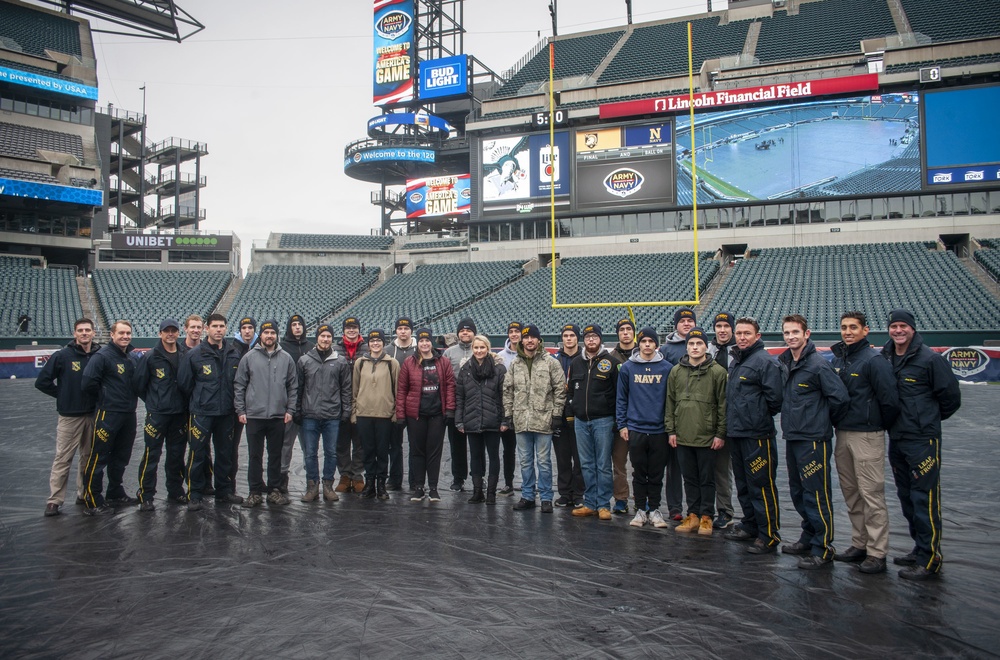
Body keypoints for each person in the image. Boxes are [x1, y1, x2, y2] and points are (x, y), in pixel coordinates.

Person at [881, 309, 961, 580]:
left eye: (903, 326)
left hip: (922, 440)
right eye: (894, 326)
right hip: (897, 437)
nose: (898, 330)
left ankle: (931, 558)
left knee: (924, 498)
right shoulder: (886, 356)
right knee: (906, 497)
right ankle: (919, 547)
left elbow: (951, 399)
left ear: (912, 328)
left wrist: (926, 421)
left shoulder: (930, 359)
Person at [777, 314, 849, 569]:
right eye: (786, 333)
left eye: (795, 332)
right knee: (798, 491)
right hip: (794, 436)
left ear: (806, 334)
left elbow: (839, 398)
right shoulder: (786, 362)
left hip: (813, 440)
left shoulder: (818, 364)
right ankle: (808, 536)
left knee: (816, 493)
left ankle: (823, 547)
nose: (790, 337)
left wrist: (820, 422)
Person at [830, 311, 900, 575]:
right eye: (844, 327)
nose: (848, 332)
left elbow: (890, 400)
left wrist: (876, 424)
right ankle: (860, 543)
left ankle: (877, 552)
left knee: (871, 494)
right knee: (851, 492)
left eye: (853, 327)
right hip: (843, 433)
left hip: (867, 435)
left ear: (865, 330)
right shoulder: (841, 359)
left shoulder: (874, 360)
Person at [723, 317, 785, 554]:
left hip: (757, 435)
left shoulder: (764, 362)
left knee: (761, 485)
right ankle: (750, 524)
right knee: (743, 484)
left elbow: (775, 400)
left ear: (757, 336)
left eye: (747, 333)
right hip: (737, 432)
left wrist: (755, 417)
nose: (741, 337)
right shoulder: (738, 361)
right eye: (738, 333)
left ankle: (768, 534)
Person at [178, 313, 244, 511]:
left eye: (222, 326)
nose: (218, 329)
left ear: (226, 328)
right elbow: (184, 384)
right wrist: (201, 400)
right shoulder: (194, 355)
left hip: (226, 413)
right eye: (214, 326)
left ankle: (223, 492)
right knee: (198, 455)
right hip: (202, 414)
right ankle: (195, 494)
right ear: (207, 328)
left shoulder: (234, 353)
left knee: (225, 454)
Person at [666, 327, 728, 536]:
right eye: (691, 344)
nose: (694, 347)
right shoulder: (676, 371)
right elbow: (670, 403)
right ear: (686, 346)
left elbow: (723, 405)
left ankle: (706, 516)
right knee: (689, 478)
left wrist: (720, 433)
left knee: (707, 479)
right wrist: (671, 430)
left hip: (707, 436)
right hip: (683, 435)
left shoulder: (718, 372)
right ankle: (692, 514)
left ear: (705, 346)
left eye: (698, 343)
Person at [35, 317, 99, 516]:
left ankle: (83, 493)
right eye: (80, 330)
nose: (84, 333)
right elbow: (42, 381)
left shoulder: (99, 355)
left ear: (93, 333)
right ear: (74, 333)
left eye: (87, 330)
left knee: (88, 458)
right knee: (63, 458)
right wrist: (62, 395)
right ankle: (55, 500)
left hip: (92, 415)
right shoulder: (62, 356)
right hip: (70, 416)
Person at [502, 324, 566, 513]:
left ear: (539, 340)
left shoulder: (550, 362)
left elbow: (560, 390)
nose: (529, 340)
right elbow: (508, 390)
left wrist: (556, 414)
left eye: (533, 337)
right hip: (521, 420)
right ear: (522, 340)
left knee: (544, 462)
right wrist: (508, 414)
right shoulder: (515, 364)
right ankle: (528, 496)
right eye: (526, 337)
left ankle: (546, 497)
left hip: (544, 419)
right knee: (525, 461)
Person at [235, 319, 297, 508]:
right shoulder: (249, 357)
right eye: (266, 332)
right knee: (255, 455)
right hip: (254, 415)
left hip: (278, 416)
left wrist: (290, 410)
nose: (269, 335)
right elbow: (239, 384)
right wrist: (241, 409)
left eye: (272, 332)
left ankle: (274, 491)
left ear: (276, 335)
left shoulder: (286, 358)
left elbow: (293, 386)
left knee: (275, 455)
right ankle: (254, 492)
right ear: (260, 335)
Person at [80, 320, 140, 515]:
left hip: (128, 413)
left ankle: (115, 492)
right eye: (121, 333)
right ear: (112, 335)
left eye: (128, 333)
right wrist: (106, 398)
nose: (125, 336)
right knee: (99, 456)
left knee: (122, 456)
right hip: (108, 413)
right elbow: (88, 383)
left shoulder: (130, 357)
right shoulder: (102, 356)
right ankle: (92, 498)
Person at [616, 327, 673, 528]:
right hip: (636, 428)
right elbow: (621, 398)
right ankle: (640, 509)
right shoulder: (628, 368)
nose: (647, 344)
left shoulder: (667, 368)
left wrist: (670, 427)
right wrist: (622, 424)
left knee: (657, 473)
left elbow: (671, 400)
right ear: (638, 344)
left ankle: (655, 509)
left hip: (659, 429)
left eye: (651, 341)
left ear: (656, 344)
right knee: (639, 472)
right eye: (643, 341)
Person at [133, 318, 189, 511]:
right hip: (158, 415)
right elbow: (139, 385)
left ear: (178, 333)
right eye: (167, 331)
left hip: (179, 414)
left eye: (174, 330)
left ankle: (175, 491)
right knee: (151, 455)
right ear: (160, 333)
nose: (170, 334)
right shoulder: (150, 356)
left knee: (176, 455)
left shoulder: (185, 354)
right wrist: (154, 403)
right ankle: (146, 494)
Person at [568, 324, 621, 520]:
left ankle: (604, 504)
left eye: (594, 337)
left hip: (603, 421)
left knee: (603, 465)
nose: (591, 340)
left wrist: (616, 420)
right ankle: (590, 503)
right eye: (588, 337)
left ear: (600, 339)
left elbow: (618, 394)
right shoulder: (575, 363)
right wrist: (572, 411)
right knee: (587, 464)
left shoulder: (612, 363)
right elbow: (571, 391)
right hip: (581, 421)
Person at [295, 323, 352, 503]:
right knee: (310, 453)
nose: (325, 339)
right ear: (317, 338)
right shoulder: (304, 361)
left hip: (332, 415)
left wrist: (346, 411)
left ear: (332, 339)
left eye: (328, 336)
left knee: (331, 453)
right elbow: (298, 388)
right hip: (309, 415)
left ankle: (328, 486)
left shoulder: (340, 361)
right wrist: (297, 410)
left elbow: (346, 389)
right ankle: (312, 487)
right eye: (322, 336)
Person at [398, 328, 453, 503]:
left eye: (427, 340)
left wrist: (450, 409)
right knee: (417, 451)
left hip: (437, 414)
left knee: (434, 452)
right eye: (421, 341)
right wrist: (400, 414)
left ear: (431, 342)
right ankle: (419, 487)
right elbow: (402, 390)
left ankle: (434, 488)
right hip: (416, 415)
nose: (424, 343)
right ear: (418, 343)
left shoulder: (443, 362)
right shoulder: (409, 362)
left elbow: (450, 386)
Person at [455, 335, 506, 504]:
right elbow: (460, 397)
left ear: (488, 348)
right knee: (475, 457)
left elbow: (504, 396)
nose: (478, 351)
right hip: (471, 419)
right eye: (476, 348)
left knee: (493, 457)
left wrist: (505, 420)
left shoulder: (499, 369)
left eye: (482, 347)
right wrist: (459, 420)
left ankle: (491, 493)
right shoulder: (465, 369)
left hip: (493, 419)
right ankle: (478, 491)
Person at [353, 329, 400, 500]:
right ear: (368, 343)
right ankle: (369, 482)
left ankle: (381, 484)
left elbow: (397, 390)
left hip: (384, 415)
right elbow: (355, 389)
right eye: (372, 341)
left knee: (382, 451)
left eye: (378, 340)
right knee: (367, 451)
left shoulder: (392, 363)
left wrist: (395, 413)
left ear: (383, 342)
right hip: (364, 413)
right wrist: (354, 413)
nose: (375, 343)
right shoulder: (360, 363)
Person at [707, 311, 738, 529]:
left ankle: (729, 511)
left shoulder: (739, 352)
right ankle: (716, 510)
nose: (722, 330)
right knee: (714, 469)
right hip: (708, 418)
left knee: (729, 469)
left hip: (734, 418)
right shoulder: (709, 350)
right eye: (719, 326)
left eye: (726, 326)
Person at [278, 313, 314, 493]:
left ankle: (311, 481)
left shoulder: (311, 346)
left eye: (300, 324)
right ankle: (281, 478)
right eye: (294, 324)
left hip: (308, 405)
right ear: (289, 327)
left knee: (309, 446)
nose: (297, 327)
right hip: (289, 405)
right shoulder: (282, 348)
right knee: (286, 444)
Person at [553, 323, 585, 508]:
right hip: (559, 414)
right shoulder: (554, 359)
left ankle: (579, 493)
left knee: (580, 458)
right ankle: (565, 493)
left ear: (577, 337)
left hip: (579, 415)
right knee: (562, 457)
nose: (569, 338)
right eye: (566, 335)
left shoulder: (584, 358)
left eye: (572, 335)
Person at [442, 317, 476, 491]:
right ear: (458, 333)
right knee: (457, 445)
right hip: (455, 404)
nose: (465, 333)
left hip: (476, 404)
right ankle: (458, 478)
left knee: (477, 444)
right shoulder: (449, 353)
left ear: (474, 333)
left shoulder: (479, 349)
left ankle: (479, 476)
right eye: (462, 330)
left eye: (469, 330)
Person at [335, 316, 367, 494]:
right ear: (344, 330)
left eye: (355, 327)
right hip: (339, 402)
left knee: (360, 441)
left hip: (361, 401)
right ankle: (344, 475)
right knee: (342, 442)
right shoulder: (335, 349)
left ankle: (357, 475)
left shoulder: (367, 348)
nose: (352, 330)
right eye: (348, 328)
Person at [608, 318, 636, 515]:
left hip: (642, 419)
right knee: (618, 463)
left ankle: (646, 502)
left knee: (642, 465)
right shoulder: (610, 358)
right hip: (619, 419)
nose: (625, 332)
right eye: (622, 330)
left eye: (629, 329)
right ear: (618, 334)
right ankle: (621, 499)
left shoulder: (645, 353)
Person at [385, 316, 416, 491]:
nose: (403, 331)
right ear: (396, 331)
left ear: (411, 330)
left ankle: (414, 479)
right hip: (394, 404)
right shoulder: (388, 350)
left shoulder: (419, 349)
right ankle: (394, 479)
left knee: (414, 445)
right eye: (400, 328)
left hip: (413, 404)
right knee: (394, 445)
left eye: (406, 328)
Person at [183, 313, 212, 491]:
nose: (195, 330)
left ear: (203, 329)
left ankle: (207, 483)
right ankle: (187, 487)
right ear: (185, 328)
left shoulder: (207, 350)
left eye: (198, 327)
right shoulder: (179, 351)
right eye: (192, 327)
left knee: (204, 447)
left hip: (202, 409)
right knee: (187, 449)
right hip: (183, 408)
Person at [229, 316, 257, 486]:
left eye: (250, 328)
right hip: (236, 407)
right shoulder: (232, 349)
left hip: (257, 405)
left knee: (257, 448)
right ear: (240, 330)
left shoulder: (261, 348)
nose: (247, 331)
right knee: (232, 446)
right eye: (244, 328)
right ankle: (229, 482)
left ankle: (257, 483)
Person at [496, 321, 522, 496]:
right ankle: (508, 483)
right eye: (511, 331)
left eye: (517, 331)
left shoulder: (529, 354)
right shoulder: (499, 357)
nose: (514, 334)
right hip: (506, 409)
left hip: (525, 408)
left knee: (530, 450)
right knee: (508, 449)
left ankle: (531, 484)